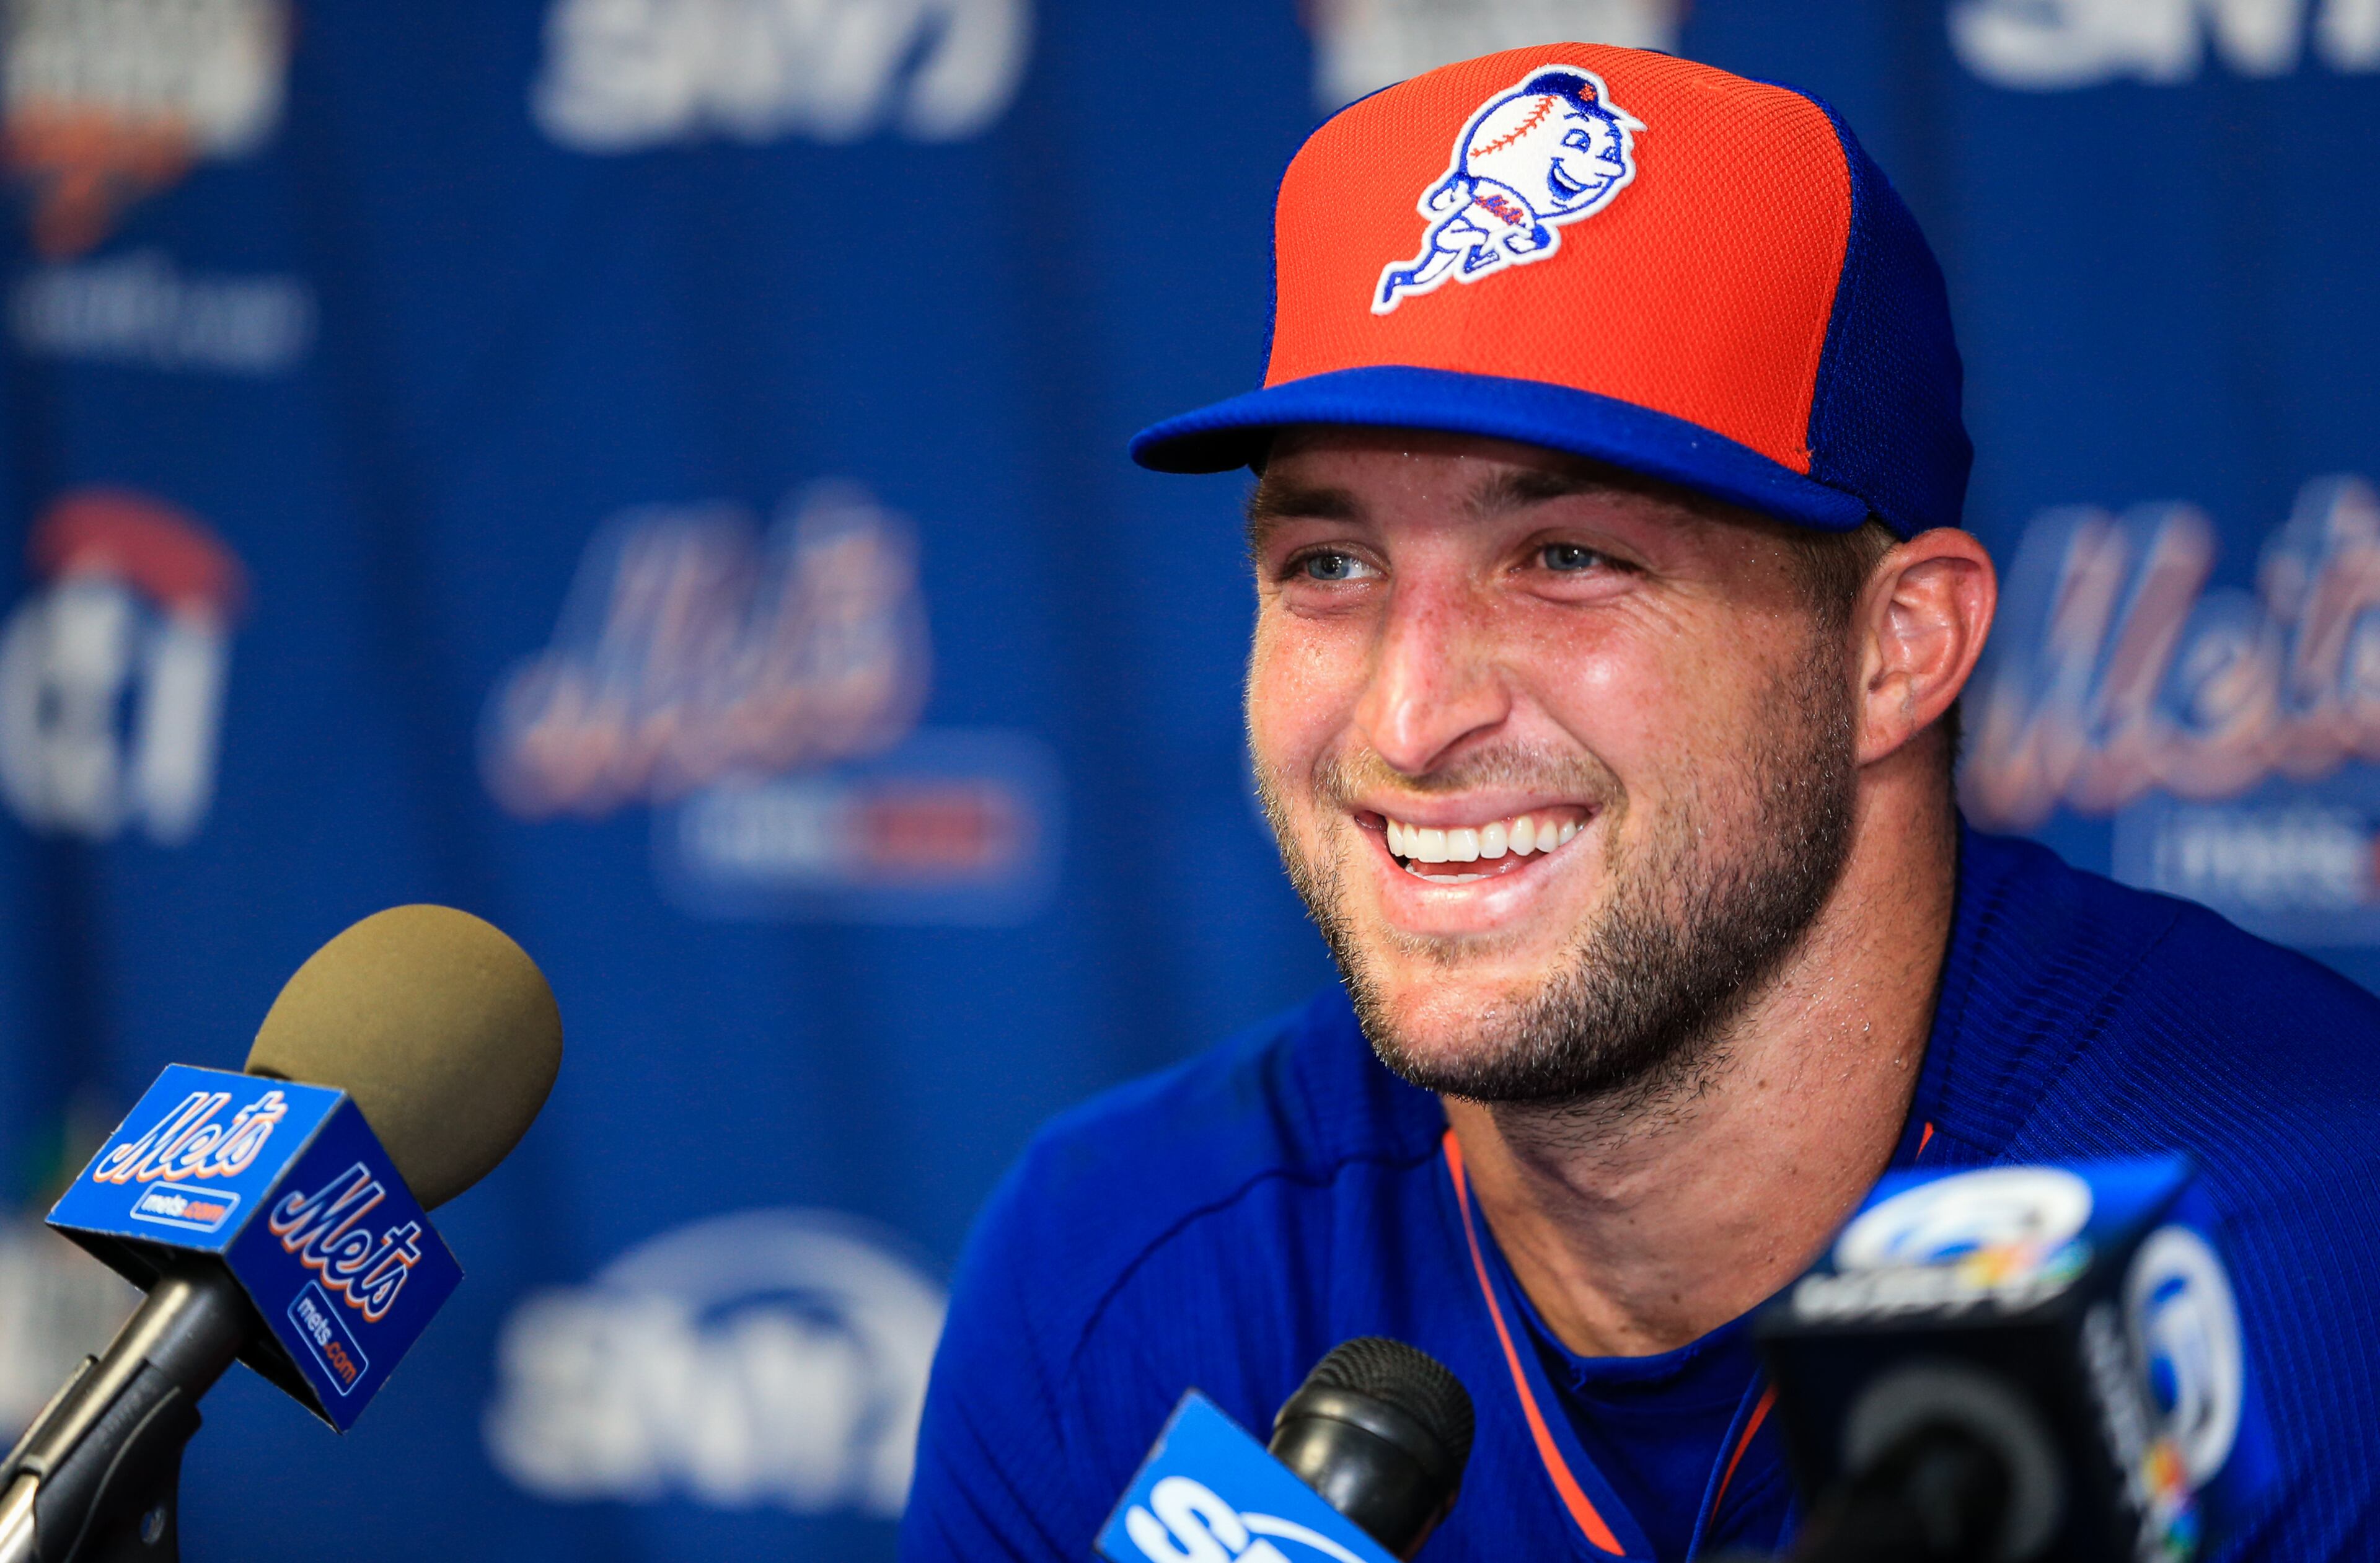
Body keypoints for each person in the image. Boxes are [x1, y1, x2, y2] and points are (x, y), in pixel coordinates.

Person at [901, 43, 2380, 1562]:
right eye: (1328, 567)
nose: (1411, 720)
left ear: (1898, 648)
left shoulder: (2306, 1260)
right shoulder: (1127, 1271)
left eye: (1568, 559)